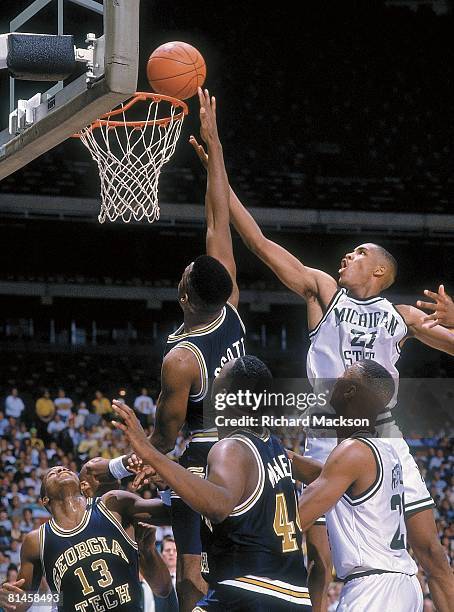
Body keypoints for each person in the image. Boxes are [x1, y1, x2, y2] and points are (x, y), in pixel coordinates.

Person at [190, 141, 454, 611]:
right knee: (316, 556)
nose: (344, 258)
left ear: (378, 269)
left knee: (431, 551)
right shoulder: (323, 291)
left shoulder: (403, 316)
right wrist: (220, 175)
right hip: (328, 433)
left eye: (356, 253)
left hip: (384, 437)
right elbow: (259, 244)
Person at [90, 88, 246, 612]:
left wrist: (115, 464)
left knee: (192, 570)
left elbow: (163, 435)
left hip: (204, 461)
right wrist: (214, 152)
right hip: (251, 449)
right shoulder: (233, 305)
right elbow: (218, 226)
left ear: (184, 296)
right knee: (231, 563)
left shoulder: (182, 357)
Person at [111, 355, 311, 611]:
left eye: (218, 380)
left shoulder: (231, 448)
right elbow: (320, 475)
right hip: (291, 594)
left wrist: (149, 452)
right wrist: (168, 474)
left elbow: (218, 506)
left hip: (248, 592)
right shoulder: (272, 445)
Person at [290, 360, 423, 612]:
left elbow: (293, 521)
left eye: (342, 377)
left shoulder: (351, 452)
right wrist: (276, 455)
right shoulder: (383, 451)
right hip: (401, 585)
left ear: (350, 390)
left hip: (374, 590)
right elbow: (330, 479)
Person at [0, 465, 172, 612]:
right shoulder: (36, 541)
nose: (60, 469)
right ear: (45, 500)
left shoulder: (112, 505)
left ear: (81, 487)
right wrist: (10, 600)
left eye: (65, 469)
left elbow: (170, 513)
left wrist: (164, 485)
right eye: (51, 473)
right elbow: (26, 601)